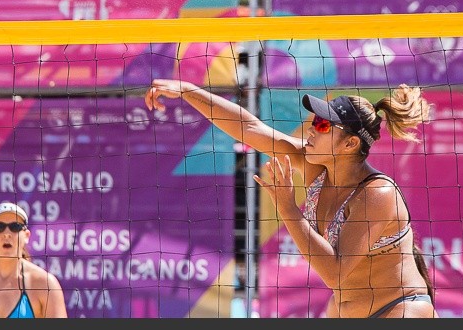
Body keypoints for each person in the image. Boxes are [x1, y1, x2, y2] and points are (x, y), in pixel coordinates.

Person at [145, 79, 439, 318]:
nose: (312, 130)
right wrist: (188, 90)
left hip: (401, 310)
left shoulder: (377, 194)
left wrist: (287, 207)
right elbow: (251, 128)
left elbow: (335, 274)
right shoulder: (316, 165)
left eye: (324, 126)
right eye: (315, 121)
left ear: (350, 143)